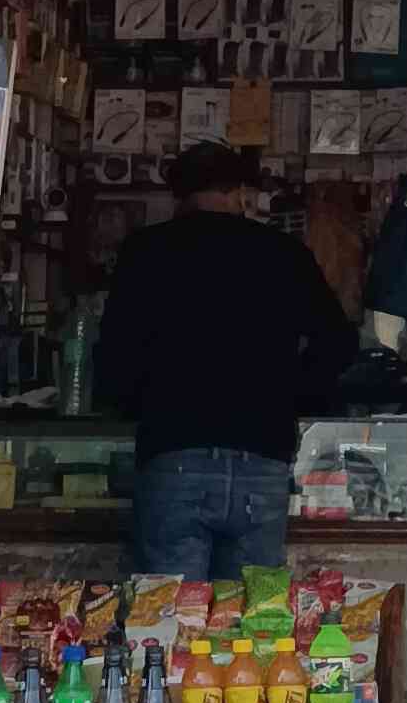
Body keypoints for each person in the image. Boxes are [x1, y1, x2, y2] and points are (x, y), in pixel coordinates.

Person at [95, 145, 358, 577]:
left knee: (170, 610)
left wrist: (136, 402)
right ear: (239, 192)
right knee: (254, 612)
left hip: (174, 453)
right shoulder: (282, 252)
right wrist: (289, 394)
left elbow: (114, 358)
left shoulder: (145, 250)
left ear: (179, 196)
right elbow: (339, 342)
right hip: (263, 457)